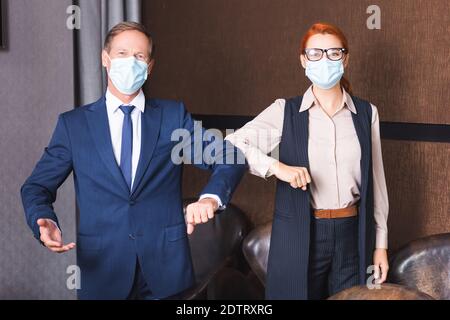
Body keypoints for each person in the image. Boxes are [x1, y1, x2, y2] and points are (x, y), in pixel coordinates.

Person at [21, 22, 246, 300]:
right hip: (103, 272)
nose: (131, 62)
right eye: (122, 53)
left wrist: (211, 198)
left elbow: (230, 157)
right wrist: (42, 218)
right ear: (105, 59)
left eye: (139, 56)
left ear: (149, 66)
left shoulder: (172, 116)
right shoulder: (74, 125)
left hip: (167, 274)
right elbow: (36, 187)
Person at [221, 22, 389, 299]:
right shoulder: (284, 112)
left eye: (334, 53)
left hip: (353, 234)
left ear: (345, 58)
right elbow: (232, 144)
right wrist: (276, 167)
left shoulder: (366, 113)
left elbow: (378, 183)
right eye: (315, 53)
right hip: (302, 232)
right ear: (303, 60)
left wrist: (380, 245)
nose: (325, 60)